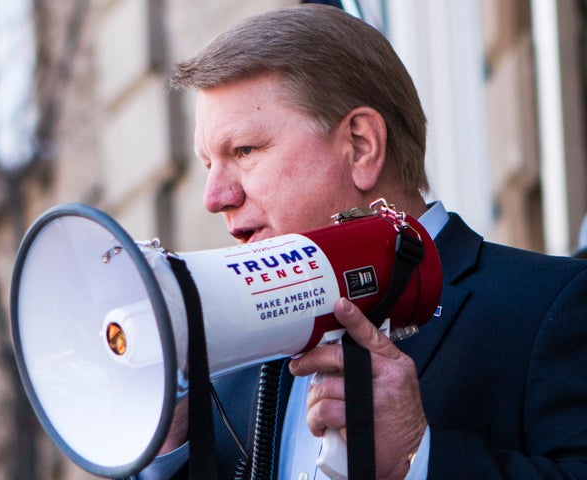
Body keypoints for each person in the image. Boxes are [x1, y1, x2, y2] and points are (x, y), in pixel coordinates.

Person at [136, 4, 587, 479]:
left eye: (245, 151)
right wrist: (167, 456)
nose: (215, 197)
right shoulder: (225, 374)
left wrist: (418, 458)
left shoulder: (553, 307)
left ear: (361, 144)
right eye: (209, 164)